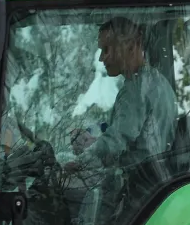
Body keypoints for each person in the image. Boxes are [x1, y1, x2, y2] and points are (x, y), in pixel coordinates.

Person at [68, 16, 176, 177]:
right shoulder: (157, 81)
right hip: (158, 176)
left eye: (106, 49)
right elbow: (133, 129)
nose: (101, 58)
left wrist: (79, 163)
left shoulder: (136, 90)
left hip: (140, 181)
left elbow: (118, 140)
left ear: (131, 46)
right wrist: (96, 134)